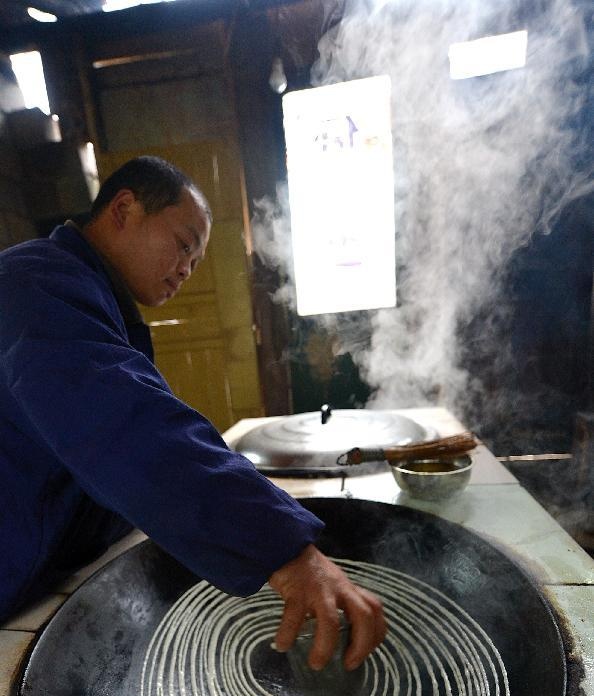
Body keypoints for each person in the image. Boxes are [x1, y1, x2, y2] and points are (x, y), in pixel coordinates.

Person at [0, 155, 386, 669]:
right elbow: (125, 424)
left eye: (196, 260)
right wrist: (284, 549)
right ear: (123, 209)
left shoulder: (92, 300)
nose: (185, 269)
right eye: (183, 245)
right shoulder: (34, 284)